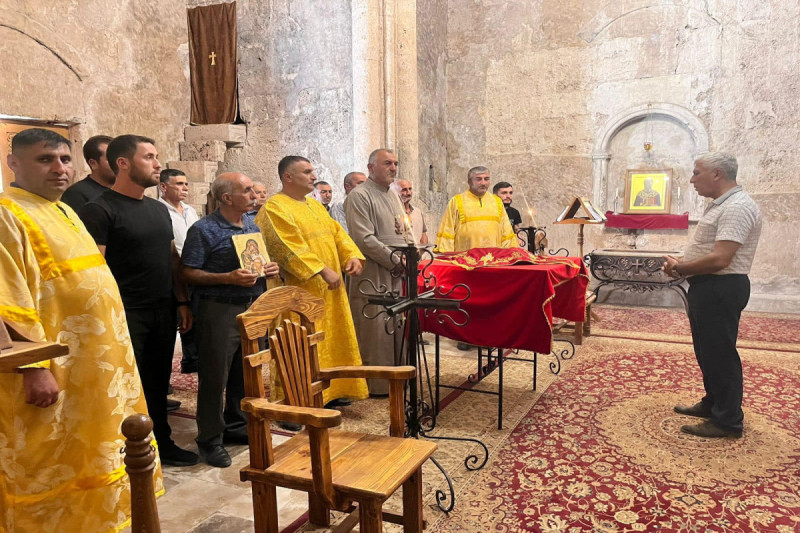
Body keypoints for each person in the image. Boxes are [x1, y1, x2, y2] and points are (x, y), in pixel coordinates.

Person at [0, 128, 161, 531]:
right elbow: (8, 300)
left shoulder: (65, 210)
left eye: (64, 159)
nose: (59, 168)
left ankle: (99, 520)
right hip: (54, 369)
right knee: (49, 455)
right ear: (13, 163)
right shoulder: (7, 213)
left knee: (97, 447)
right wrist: (33, 368)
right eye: (45, 159)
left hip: (95, 365)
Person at [80, 135, 197, 466]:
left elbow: (172, 259)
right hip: (126, 312)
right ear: (123, 163)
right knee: (128, 383)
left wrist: (182, 302)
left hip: (163, 308)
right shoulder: (98, 210)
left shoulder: (158, 209)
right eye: (149, 157)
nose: (158, 164)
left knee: (158, 382)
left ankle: (162, 442)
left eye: (156, 156)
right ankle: (126, 451)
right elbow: (95, 270)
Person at [181, 172, 280, 467]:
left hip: (251, 306)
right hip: (219, 309)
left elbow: (256, 260)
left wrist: (268, 269)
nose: (254, 195)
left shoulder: (250, 224)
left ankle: (236, 426)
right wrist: (227, 277)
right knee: (215, 376)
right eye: (247, 190)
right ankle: (210, 439)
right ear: (227, 198)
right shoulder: (204, 229)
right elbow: (187, 271)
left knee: (244, 371)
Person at [256, 156, 368, 407]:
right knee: (296, 343)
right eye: (307, 172)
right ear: (288, 177)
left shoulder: (315, 206)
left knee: (329, 340)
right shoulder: (274, 208)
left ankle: (328, 390)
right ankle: (293, 401)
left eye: (312, 171)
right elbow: (287, 247)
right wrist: (322, 270)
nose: (314, 176)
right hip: (297, 293)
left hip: (329, 291)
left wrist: (351, 256)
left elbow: (338, 234)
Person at [663, 152, 762, 439]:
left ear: (717, 173)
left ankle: (727, 420)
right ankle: (713, 403)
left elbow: (721, 259)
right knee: (707, 351)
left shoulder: (736, 207)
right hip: (710, 286)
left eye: (697, 172)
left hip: (721, 287)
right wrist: (683, 264)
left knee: (720, 353)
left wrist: (680, 267)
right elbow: (710, 251)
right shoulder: (723, 205)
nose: (692, 179)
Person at [344, 149, 407, 395]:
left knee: (396, 324)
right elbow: (364, 238)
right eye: (387, 163)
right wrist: (395, 260)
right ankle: (375, 384)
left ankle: (398, 377)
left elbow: (404, 229)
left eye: (395, 163)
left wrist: (411, 254)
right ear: (371, 168)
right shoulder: (360, 196)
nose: (393, 168)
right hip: (373, 273)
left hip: (397, 271)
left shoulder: (393, 195)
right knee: (375, 328)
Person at [159, 168, 201, 374]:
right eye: (179, 184)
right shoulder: (159, 211)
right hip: (171, 269)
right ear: (163, 187)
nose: (184, 188)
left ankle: (192, 358)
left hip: (193, 267)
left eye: (186, 184)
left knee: (193, 311)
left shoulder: (190, 210)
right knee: (178, 314)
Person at [435, 166, 516, 252]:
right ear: (469, 182)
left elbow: (506, 230)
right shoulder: (456, 201)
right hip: (465, 256)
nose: (483, 183)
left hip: (493, 256)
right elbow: (448, 228)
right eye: (478, 179)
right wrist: (447, 254)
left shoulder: (497, 201)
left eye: (486, 179)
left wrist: (510, 253)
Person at [60, 134, 115, 211]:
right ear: (93, 164)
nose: (118, 163)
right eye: (111, 158)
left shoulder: (124, 190)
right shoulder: (76, 194)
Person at [391, 178, 428, 244]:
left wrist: (422, 249)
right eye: (404, 190)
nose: (409, 193)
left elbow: (423, 236)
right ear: (396, 192)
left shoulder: (417, 212)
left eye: (410, 189)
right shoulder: (392, 212)